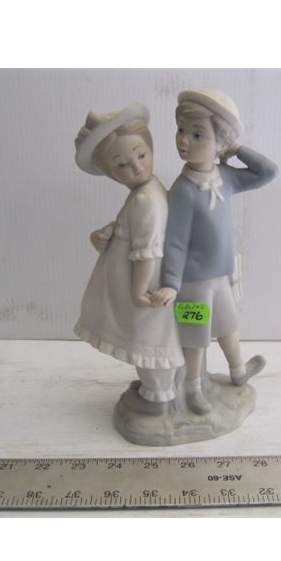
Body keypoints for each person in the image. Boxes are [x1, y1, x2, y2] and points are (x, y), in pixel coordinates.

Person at [152, 89, 278, 415]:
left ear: (220, 142)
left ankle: (238, 370)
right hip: (192, 282)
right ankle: (193, 386)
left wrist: (237, 149)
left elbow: (268, 172)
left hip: (220, 275)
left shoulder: (226, 178)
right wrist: (171, 283)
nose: (183, 140)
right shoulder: (183, 190)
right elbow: (175, 241)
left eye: (197, 134)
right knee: (195, 336)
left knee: (227, 324)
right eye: (181, 129)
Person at [74, 102, 183, 416]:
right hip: (140, 276)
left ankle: (158, 397)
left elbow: (147, 250)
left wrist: (138, 290)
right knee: (147, 338)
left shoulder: (147, 199)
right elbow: (132, 225)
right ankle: (159, 389)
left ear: (151, 147)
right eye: (121, 165)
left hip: (145, 282)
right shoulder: (146, 190)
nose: (135, 167)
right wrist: (109, 233)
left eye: (141, 155)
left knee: (148, 339)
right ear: (109, 172)